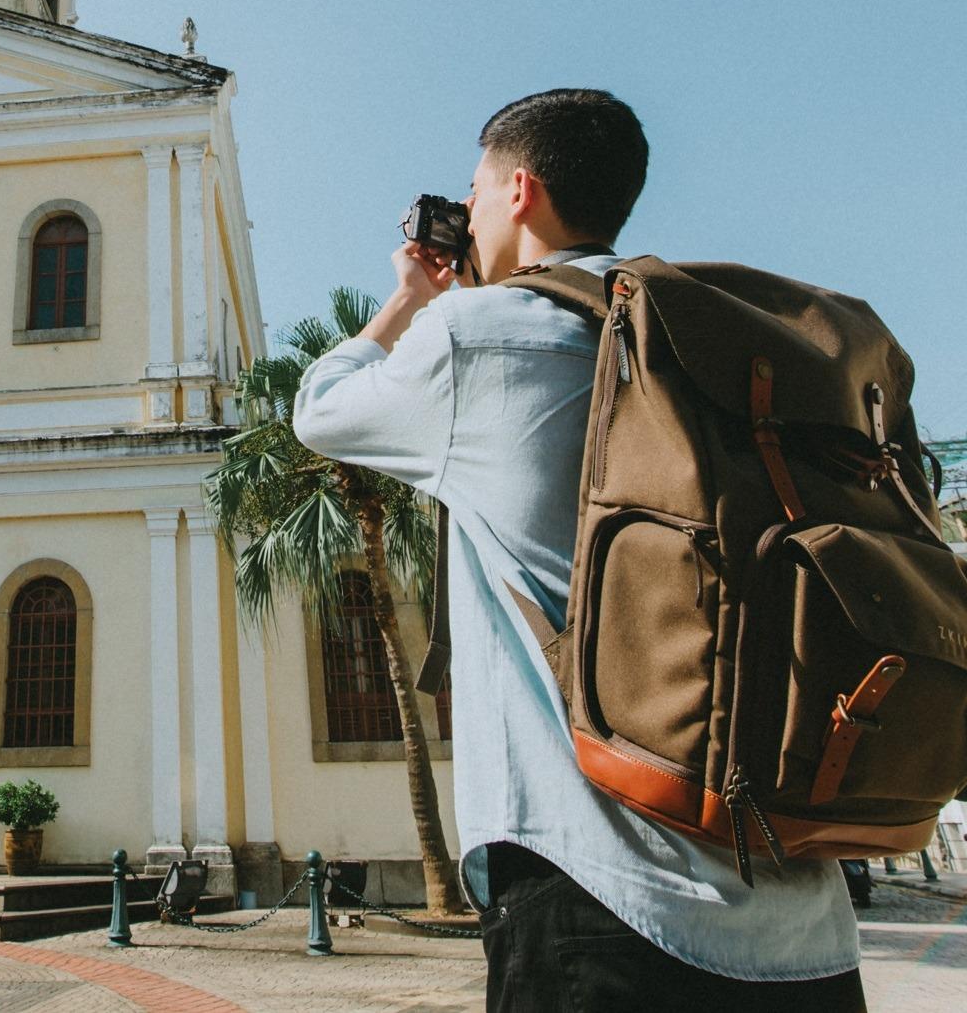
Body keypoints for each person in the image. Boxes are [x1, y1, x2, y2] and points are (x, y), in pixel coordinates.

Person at [293, 89, 865, 1011]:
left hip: (597, 892)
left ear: (519, 190)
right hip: (802, 918)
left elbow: (319, 409)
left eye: (473, 192)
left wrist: (409, 297)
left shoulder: (474, 335)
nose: (468, 212)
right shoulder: (708, 336)